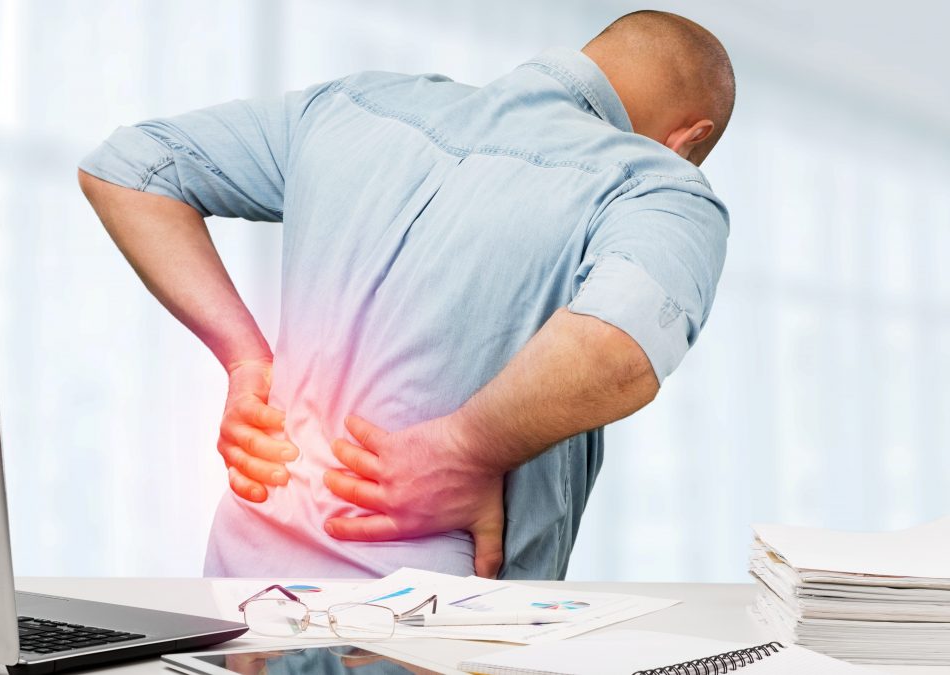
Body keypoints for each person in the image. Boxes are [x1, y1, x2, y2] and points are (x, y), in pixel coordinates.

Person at [78, 10, 735, 580]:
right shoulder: (654, 183)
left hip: (238, 593)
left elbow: (130, 167)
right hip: (426, 624)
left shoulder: (358, 103)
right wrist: (466, 447)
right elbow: (622, 345)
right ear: (690, 137)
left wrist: (245, 358)